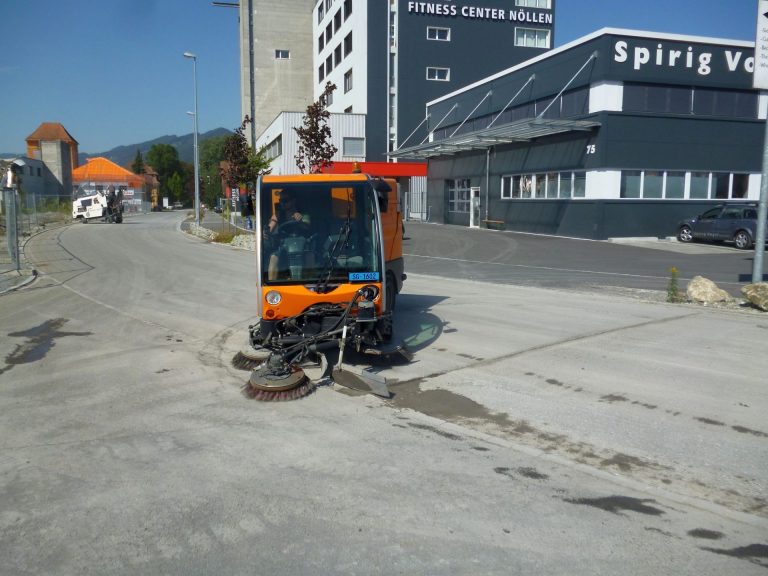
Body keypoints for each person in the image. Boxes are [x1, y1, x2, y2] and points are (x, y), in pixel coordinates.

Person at [265, 191, 311, 280]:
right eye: (281, 200)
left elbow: (307, 226)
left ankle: (310, 282)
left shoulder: (303, 213)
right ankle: (272, 285)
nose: (282, 203)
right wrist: (265, 232)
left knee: (310, 256)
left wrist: (301, 220)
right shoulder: (278, 214)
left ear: (293, 201)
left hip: (302, 244)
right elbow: (269, 228)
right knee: (273, 258)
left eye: (285, 200)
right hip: (284, 245)